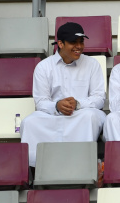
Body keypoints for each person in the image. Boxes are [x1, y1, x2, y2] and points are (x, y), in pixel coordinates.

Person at [20, 22, 106, 167]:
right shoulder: (44, 66)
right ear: (60, 43)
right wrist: (57, 106)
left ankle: (83, 165)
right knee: (29, 122)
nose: (79, 46)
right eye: (73, 42)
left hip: (81, 114)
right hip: (53, 115)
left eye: (81, 42)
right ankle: (38, 169)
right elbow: (41, 102)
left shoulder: (92, 64)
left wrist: (78, 104)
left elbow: (99, 98)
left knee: (90, 116)